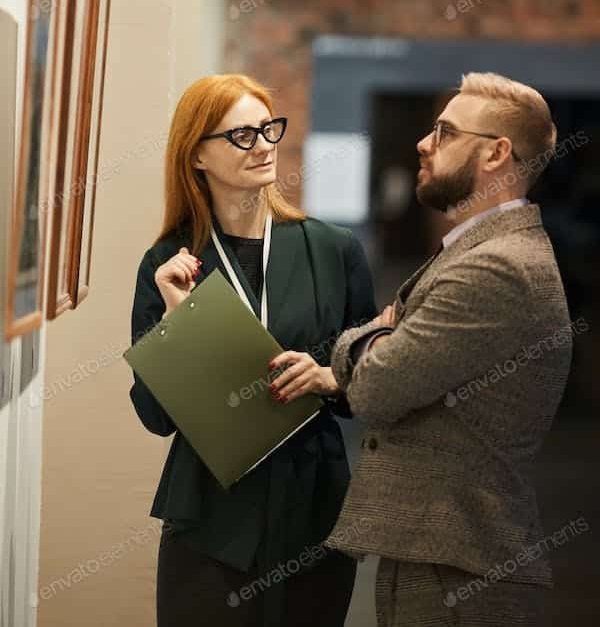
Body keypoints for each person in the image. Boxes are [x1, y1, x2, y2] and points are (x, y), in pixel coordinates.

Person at [325, 72, 573, 627]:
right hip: (439, 555)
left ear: (496, 154)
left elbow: (376, 387)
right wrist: (379, 339)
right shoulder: (478, 251)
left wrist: (365, 337)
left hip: (459, 568)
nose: (423, 143)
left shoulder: (497, 266)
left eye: (444, 132)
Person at [128, 73, 377, 627]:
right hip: (210, 514)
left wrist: (329, 378)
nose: (264, 145)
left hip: (313, 503)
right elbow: (154, 416)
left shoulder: (333, 250)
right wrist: (177, 319)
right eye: (242, 136)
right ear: (197, 156)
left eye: (268, 129)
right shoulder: (168, 263)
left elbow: (369, 383)